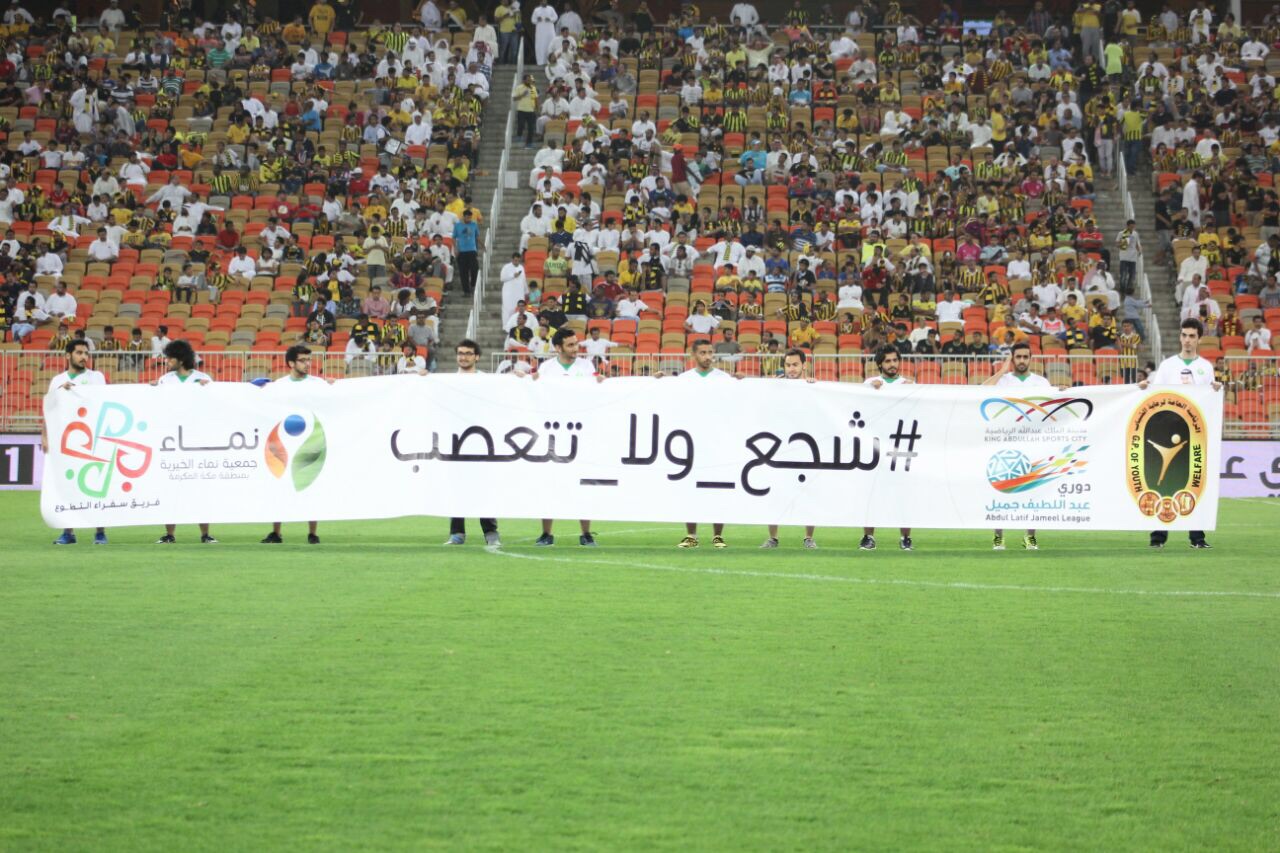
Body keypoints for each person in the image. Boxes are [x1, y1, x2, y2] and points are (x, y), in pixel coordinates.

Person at [1139, 318, 1222, 549]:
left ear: (1199, 339)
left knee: (1194, 482)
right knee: (1163, 480)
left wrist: (1216, 389)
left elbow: (1210, 396)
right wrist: (1145, 387)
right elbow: (1156, 394)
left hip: (1194, 432)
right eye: (1184, 335)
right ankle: (1158, 537)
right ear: (1180, 337)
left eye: (1192, 336)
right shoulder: (1167, 366)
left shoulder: (1205, 367)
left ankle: (1197, 537)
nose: (1187, 340)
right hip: (1168, 430)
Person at [533, 329, 601, 546]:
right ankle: (546, 533)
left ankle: (586, 533)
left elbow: (595, 392)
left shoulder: (586, 366)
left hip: (580, 433)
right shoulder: (546, 368)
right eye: (570, 345)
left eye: (576, 344)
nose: (575, 348)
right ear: (558, 347)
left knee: (583, 484)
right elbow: (536, 393)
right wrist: (526, 381)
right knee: (549, 484)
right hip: (553, 433)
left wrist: (601, 382)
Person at [984, 342, 1053, 550]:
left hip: (1033, 442)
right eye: (1018, 357)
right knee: (1000, 487)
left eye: (1025, 357)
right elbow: (981, 390)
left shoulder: (1041, 382)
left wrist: (1062, 391)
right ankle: (998, 537)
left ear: (1031, 359)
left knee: (1033, 490)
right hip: (1006, 440)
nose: (1022, 360)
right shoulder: (1003, 380)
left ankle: (1029, 537)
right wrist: (1002, 370)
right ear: (1012, 358)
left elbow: (1054, 403)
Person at [261, 345, 330, 545]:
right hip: (283, 439)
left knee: (310, 485)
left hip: (312, 440)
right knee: (279, 484)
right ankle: (276, 532)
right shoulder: (279, 385)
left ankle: (313, 533)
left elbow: (336, 397)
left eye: (309, 360)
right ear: (291, 363)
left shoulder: (318, 384)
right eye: (302, 360)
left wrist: (336, 386)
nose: (307, 364)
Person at [44, 340, 108, 546]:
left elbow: (104, 401)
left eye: (86, 353)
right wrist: (44, 436)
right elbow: (49, 409)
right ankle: (68, 532)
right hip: (67, 441)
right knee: (68, 486)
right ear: (68, 355)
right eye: (79, 353)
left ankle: (100, 532)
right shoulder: (57, 380)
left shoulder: (96, 377)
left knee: (96, 486)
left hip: (92, 439)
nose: (84, 357)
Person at [154, 340, 217, 544]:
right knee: (170, 488)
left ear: (181, 359)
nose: (167, 362)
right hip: (172, 441)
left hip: (196, 441)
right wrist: (150, 392)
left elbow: (215, 404)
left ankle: (205, 534)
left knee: (200, 489)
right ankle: (170, 534)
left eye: (170, 358)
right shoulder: (164, 380)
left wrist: (208, 390)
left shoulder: (203, 379)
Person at [676, 339, 733, 549]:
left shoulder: (724, 379)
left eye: (710, 352)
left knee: (718, 488)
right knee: (690, 488)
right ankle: (691, 535)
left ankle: (717, 536)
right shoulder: (683, 379)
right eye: (703, 353)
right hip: (691, 442)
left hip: (717, 441)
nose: (708, 356)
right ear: (693, 355)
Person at [445, 339, 502, 546]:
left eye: (468, 353)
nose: (464, 357)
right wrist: (423, 379)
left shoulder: (486, 380)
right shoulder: (447, 381)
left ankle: (491, 532)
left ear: (477, 357)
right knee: (456, 487)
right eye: (460, 353)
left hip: (482, 441)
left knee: (484, 487)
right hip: (455, 441)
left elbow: (506, 394)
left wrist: (519, 378)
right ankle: (457, 533)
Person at [762, 348, 817, 549]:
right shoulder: (776, 386)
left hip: (806, 447)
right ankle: (773, 538)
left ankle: (808, 538)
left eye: (795, 365)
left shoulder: (813, 387)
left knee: (808, 493)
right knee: (774, 492)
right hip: (780, 447)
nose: (791, 369)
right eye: (788, 365)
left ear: (804, 365)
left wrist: (815, 387)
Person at [861, 347, 915, 551]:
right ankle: (868, 537)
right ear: (880, 364)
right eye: (888, 361)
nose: (892, 364)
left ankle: (905, 538)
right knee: (871, 494)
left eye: (895, 360)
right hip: (876, 446)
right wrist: (869, 392)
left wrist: (913, 392)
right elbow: (859, 407)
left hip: (901, 445)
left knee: (904, 495)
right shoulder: (870, 383)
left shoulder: (908, 385)